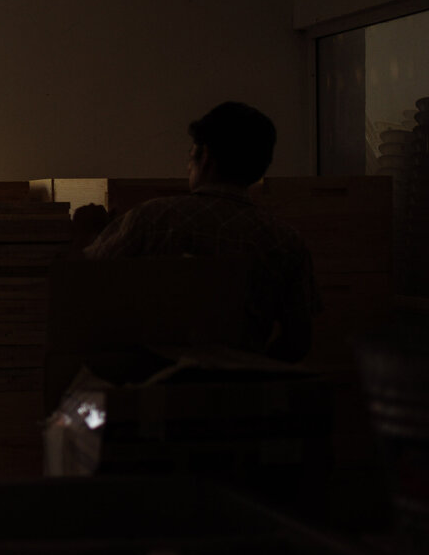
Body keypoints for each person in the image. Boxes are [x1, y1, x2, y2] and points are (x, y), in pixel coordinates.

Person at [73, 101, 318, 362]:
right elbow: (298, 341)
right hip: (246, 394)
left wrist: (89, 234)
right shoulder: (285, 241)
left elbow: (79, 290)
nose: (187, 167)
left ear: (206, 157)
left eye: (190, 156)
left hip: (156, 390)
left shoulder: (152, 219)